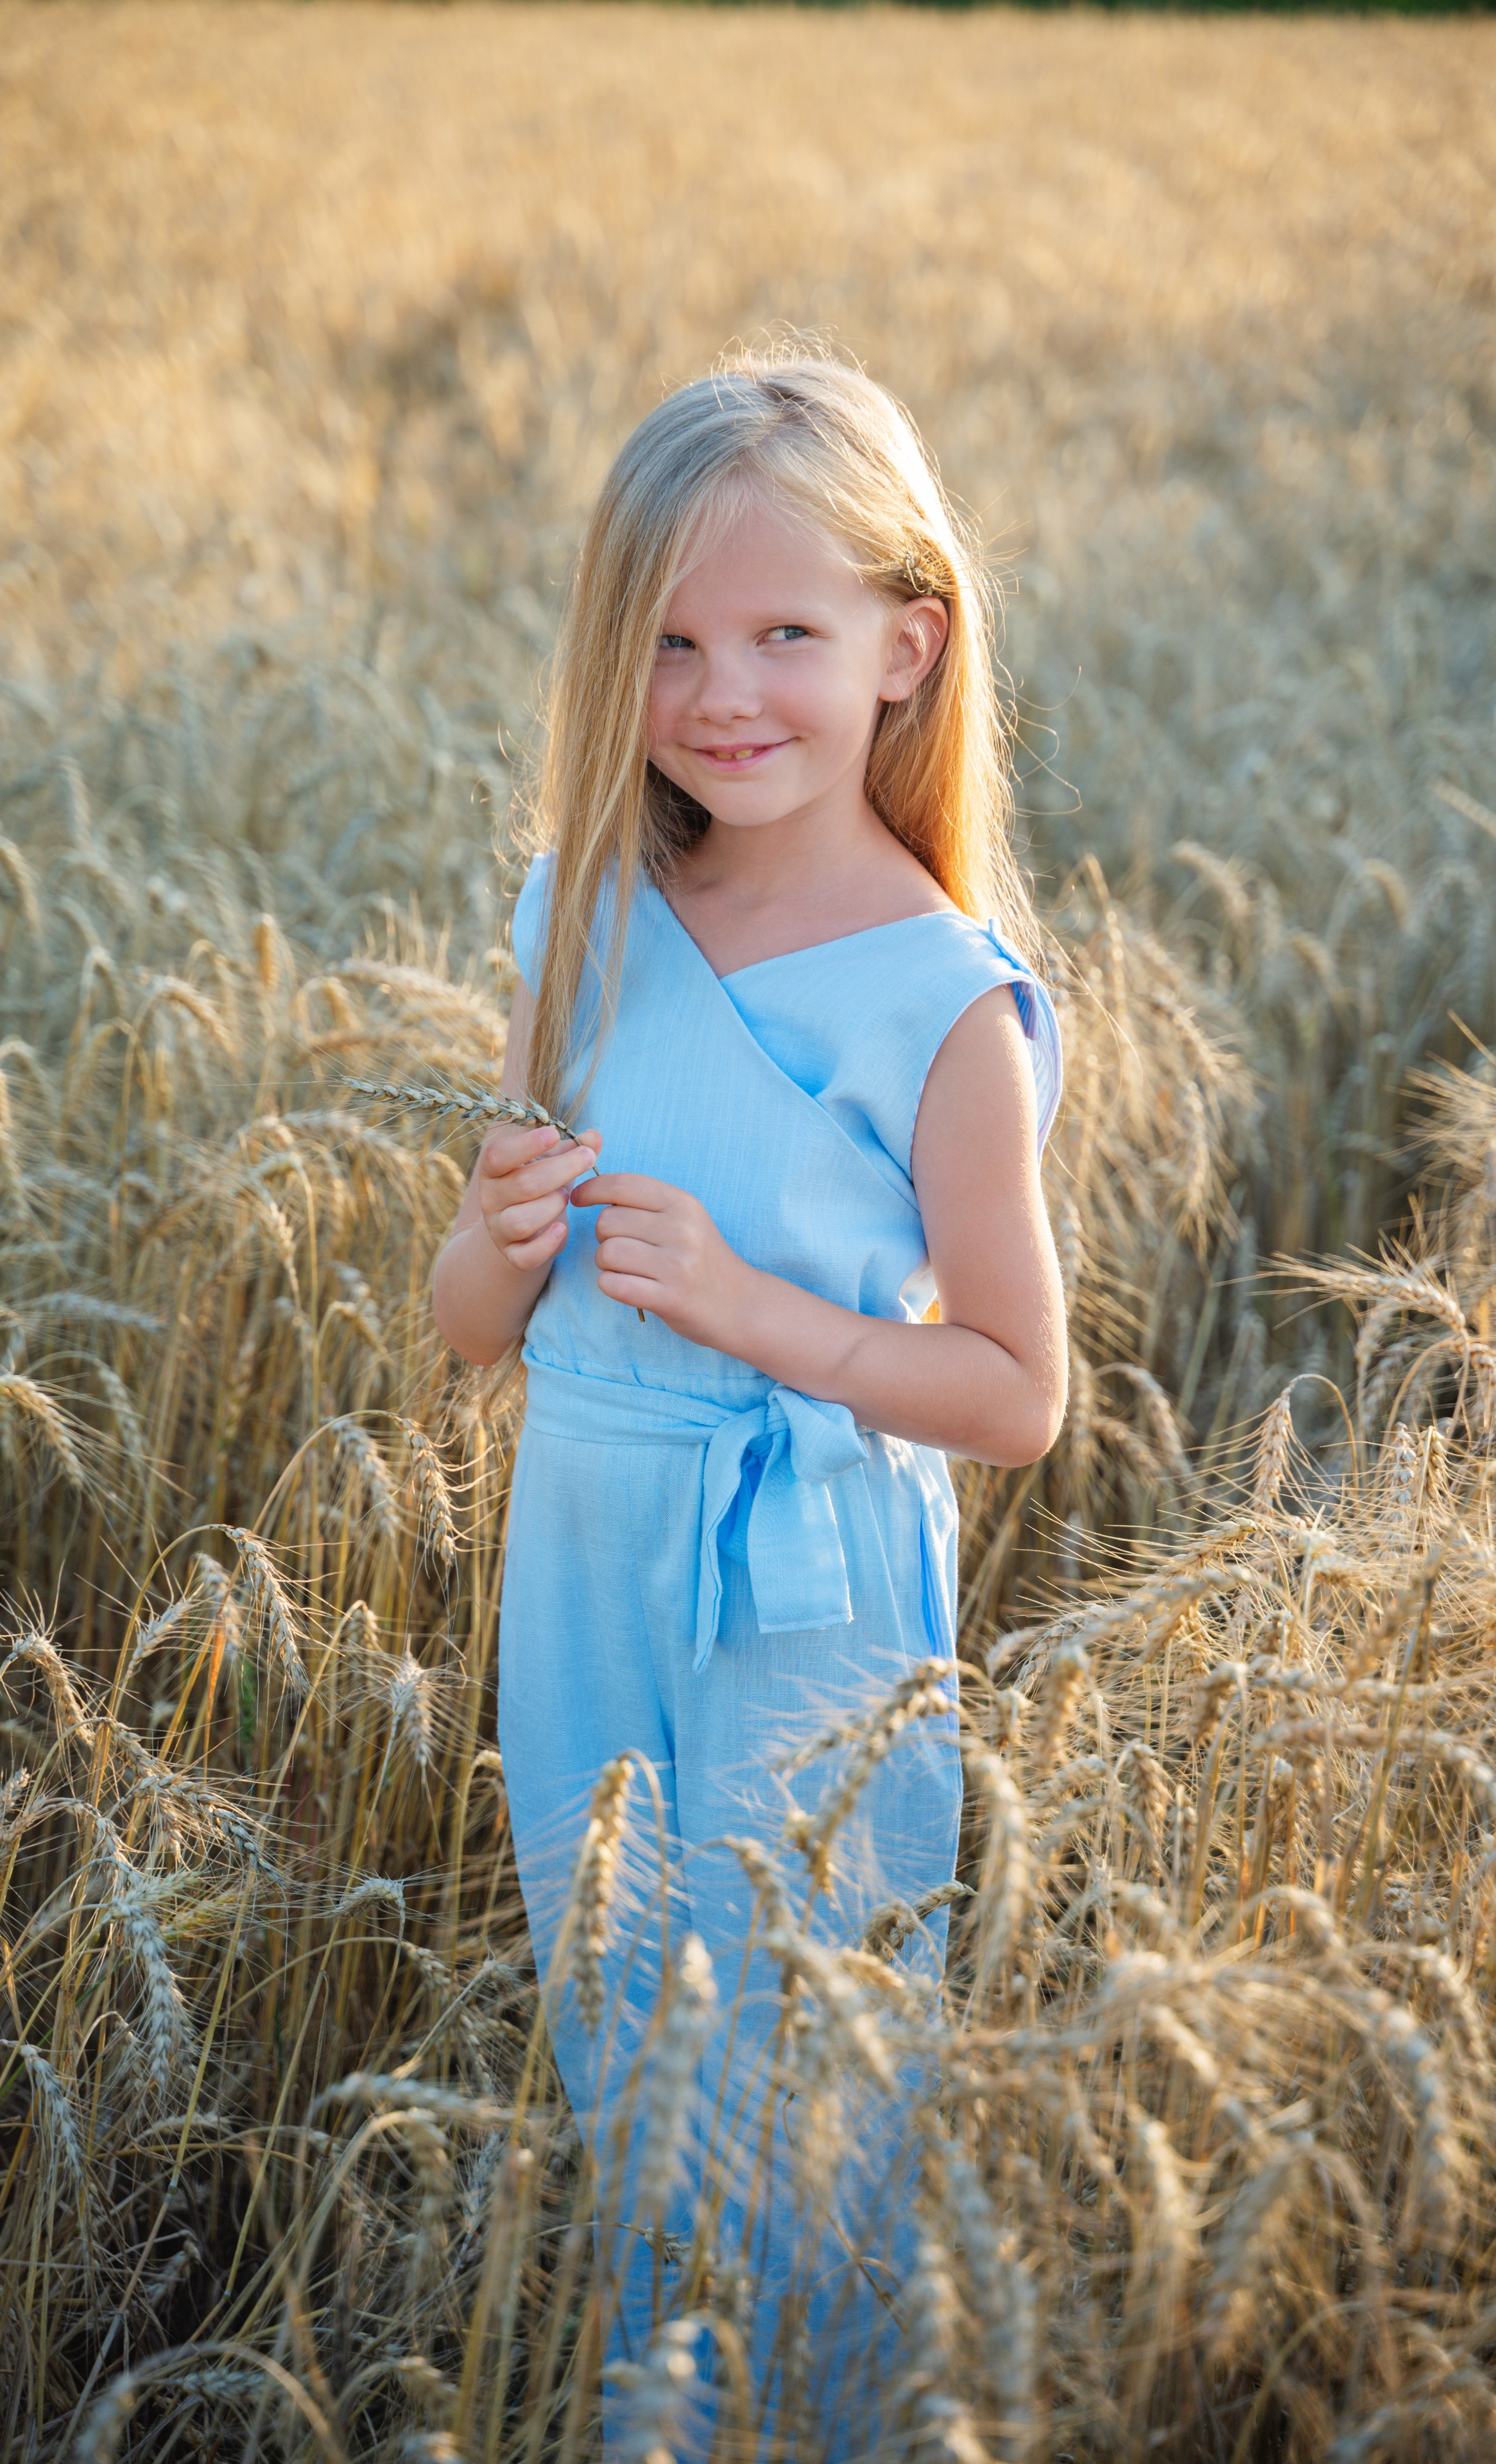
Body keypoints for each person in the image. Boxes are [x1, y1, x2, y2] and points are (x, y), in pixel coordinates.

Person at [433, 346, 1067, 2457]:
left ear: (909, 642)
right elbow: (464, 1324)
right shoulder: (581, 915)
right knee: (624, 2023)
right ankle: (664, 2410)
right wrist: (505, 1233)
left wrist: (745, 1305)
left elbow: (1014, 1394)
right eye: (675, 639)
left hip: (806, 1587)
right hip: (587, 1543)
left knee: (806, 2057)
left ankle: (826, 2414)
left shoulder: (938, 995)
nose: (727, 691)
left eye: (788, 634)